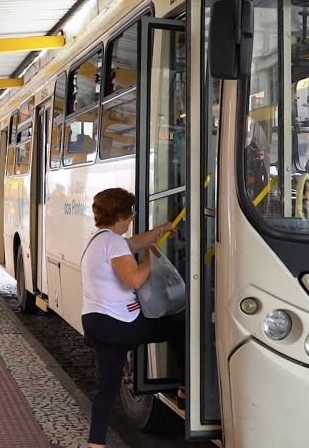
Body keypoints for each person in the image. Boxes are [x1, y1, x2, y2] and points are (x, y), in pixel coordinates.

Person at [81, 187, 184, 448]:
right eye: (130, 214)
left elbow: (134, 242)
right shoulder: (114, 243)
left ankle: (96, 444)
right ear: (120, 215)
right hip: (119, 324)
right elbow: (135, 278)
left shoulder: (98, 240)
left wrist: (159, 231)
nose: (131, 219)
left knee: (108, 385)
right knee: (179, 327)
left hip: (96, 323)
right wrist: (151, 256)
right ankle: (184, 388)